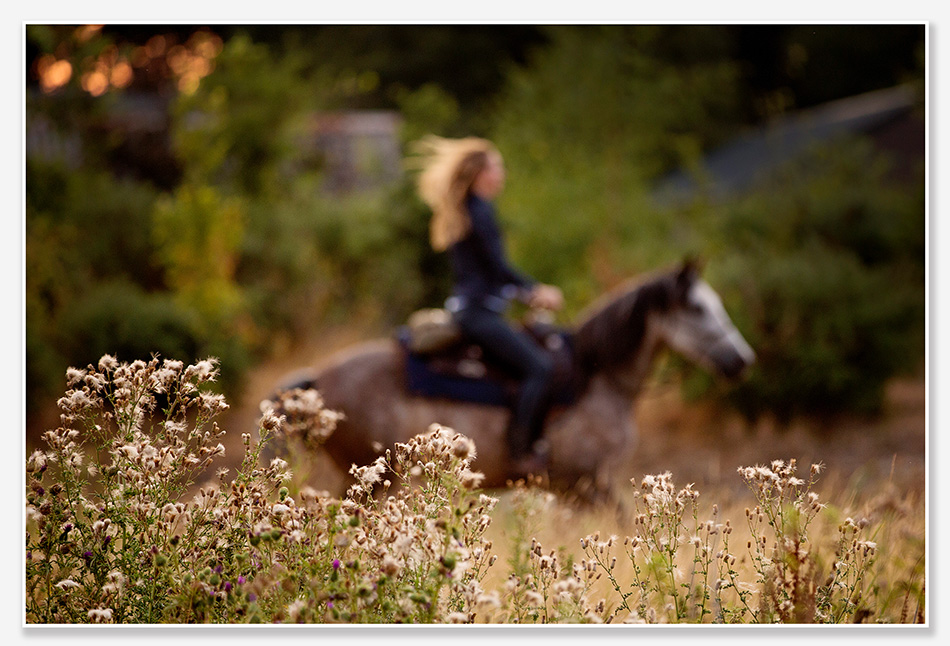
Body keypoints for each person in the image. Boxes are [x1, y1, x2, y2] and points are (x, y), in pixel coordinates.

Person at [411, 135, 563, 478]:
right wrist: (535, 291)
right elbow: (497, 268)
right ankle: (521, 452)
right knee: (540, 368)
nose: (502, 174)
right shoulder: (479, 211)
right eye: (497, 167)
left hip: (472, 309)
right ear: (480, 173)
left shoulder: (470, 208)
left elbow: (489, 270)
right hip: (478, 314)